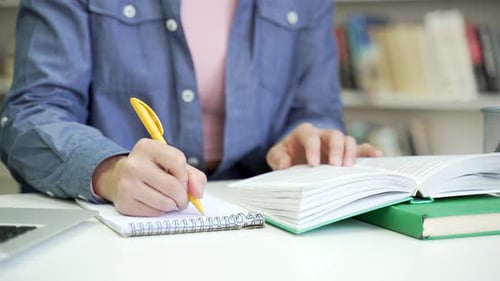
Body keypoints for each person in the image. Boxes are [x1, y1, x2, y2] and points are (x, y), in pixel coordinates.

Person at [0, 0, 381, 217]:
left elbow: (317, 109)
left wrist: (306, 139)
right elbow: (30, 113)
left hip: (263, 219)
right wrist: (108, 171)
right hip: (112, 225)